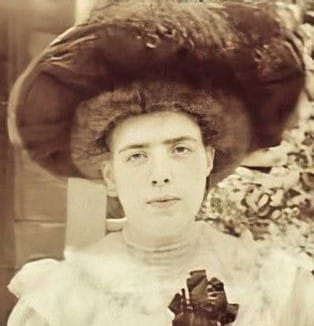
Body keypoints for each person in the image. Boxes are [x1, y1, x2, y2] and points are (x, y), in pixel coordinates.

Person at [6, 1, 314, 325]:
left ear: (208, 160)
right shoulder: (63, 300)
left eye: (180, 149)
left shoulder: (277, 286)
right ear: (111, 176)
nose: (161, 175)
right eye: (137, 156)